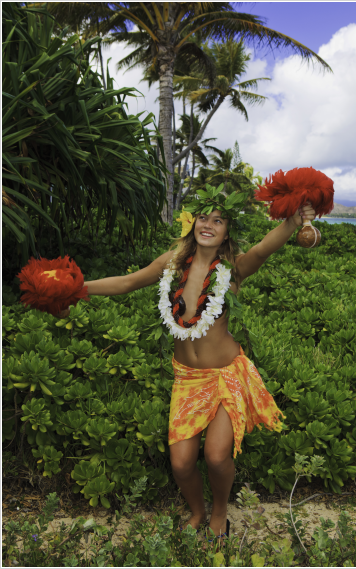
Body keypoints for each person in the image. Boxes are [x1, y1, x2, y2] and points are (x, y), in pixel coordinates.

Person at [58, 187, 316, 544]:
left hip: (227, 375)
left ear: (227, 231)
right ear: (192, 222)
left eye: (218, 220)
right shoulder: (173, 262)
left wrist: (293, 219)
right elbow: (128, 282)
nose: (208, 224)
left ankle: (221, 511)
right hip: (188, 379)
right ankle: (197, 510)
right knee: (181, 463)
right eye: (203, 217)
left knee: (215, 455)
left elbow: (262, 249)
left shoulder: (233, 268)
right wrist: (76, 290)